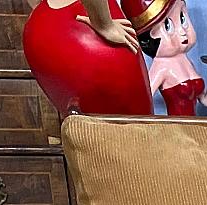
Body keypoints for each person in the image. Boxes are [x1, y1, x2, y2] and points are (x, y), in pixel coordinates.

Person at [22, 0, 153, 118]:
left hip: (41, 26)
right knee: (137, 130)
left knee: (84, 131)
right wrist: (105, 26)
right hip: (89, 36)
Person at [124, 0, 207, 115]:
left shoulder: (188, 62)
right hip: (175, 125)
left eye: (182, 19)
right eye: (168, 25)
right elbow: (142, 100)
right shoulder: (161, 68)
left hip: (195, 124)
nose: (182, 32)